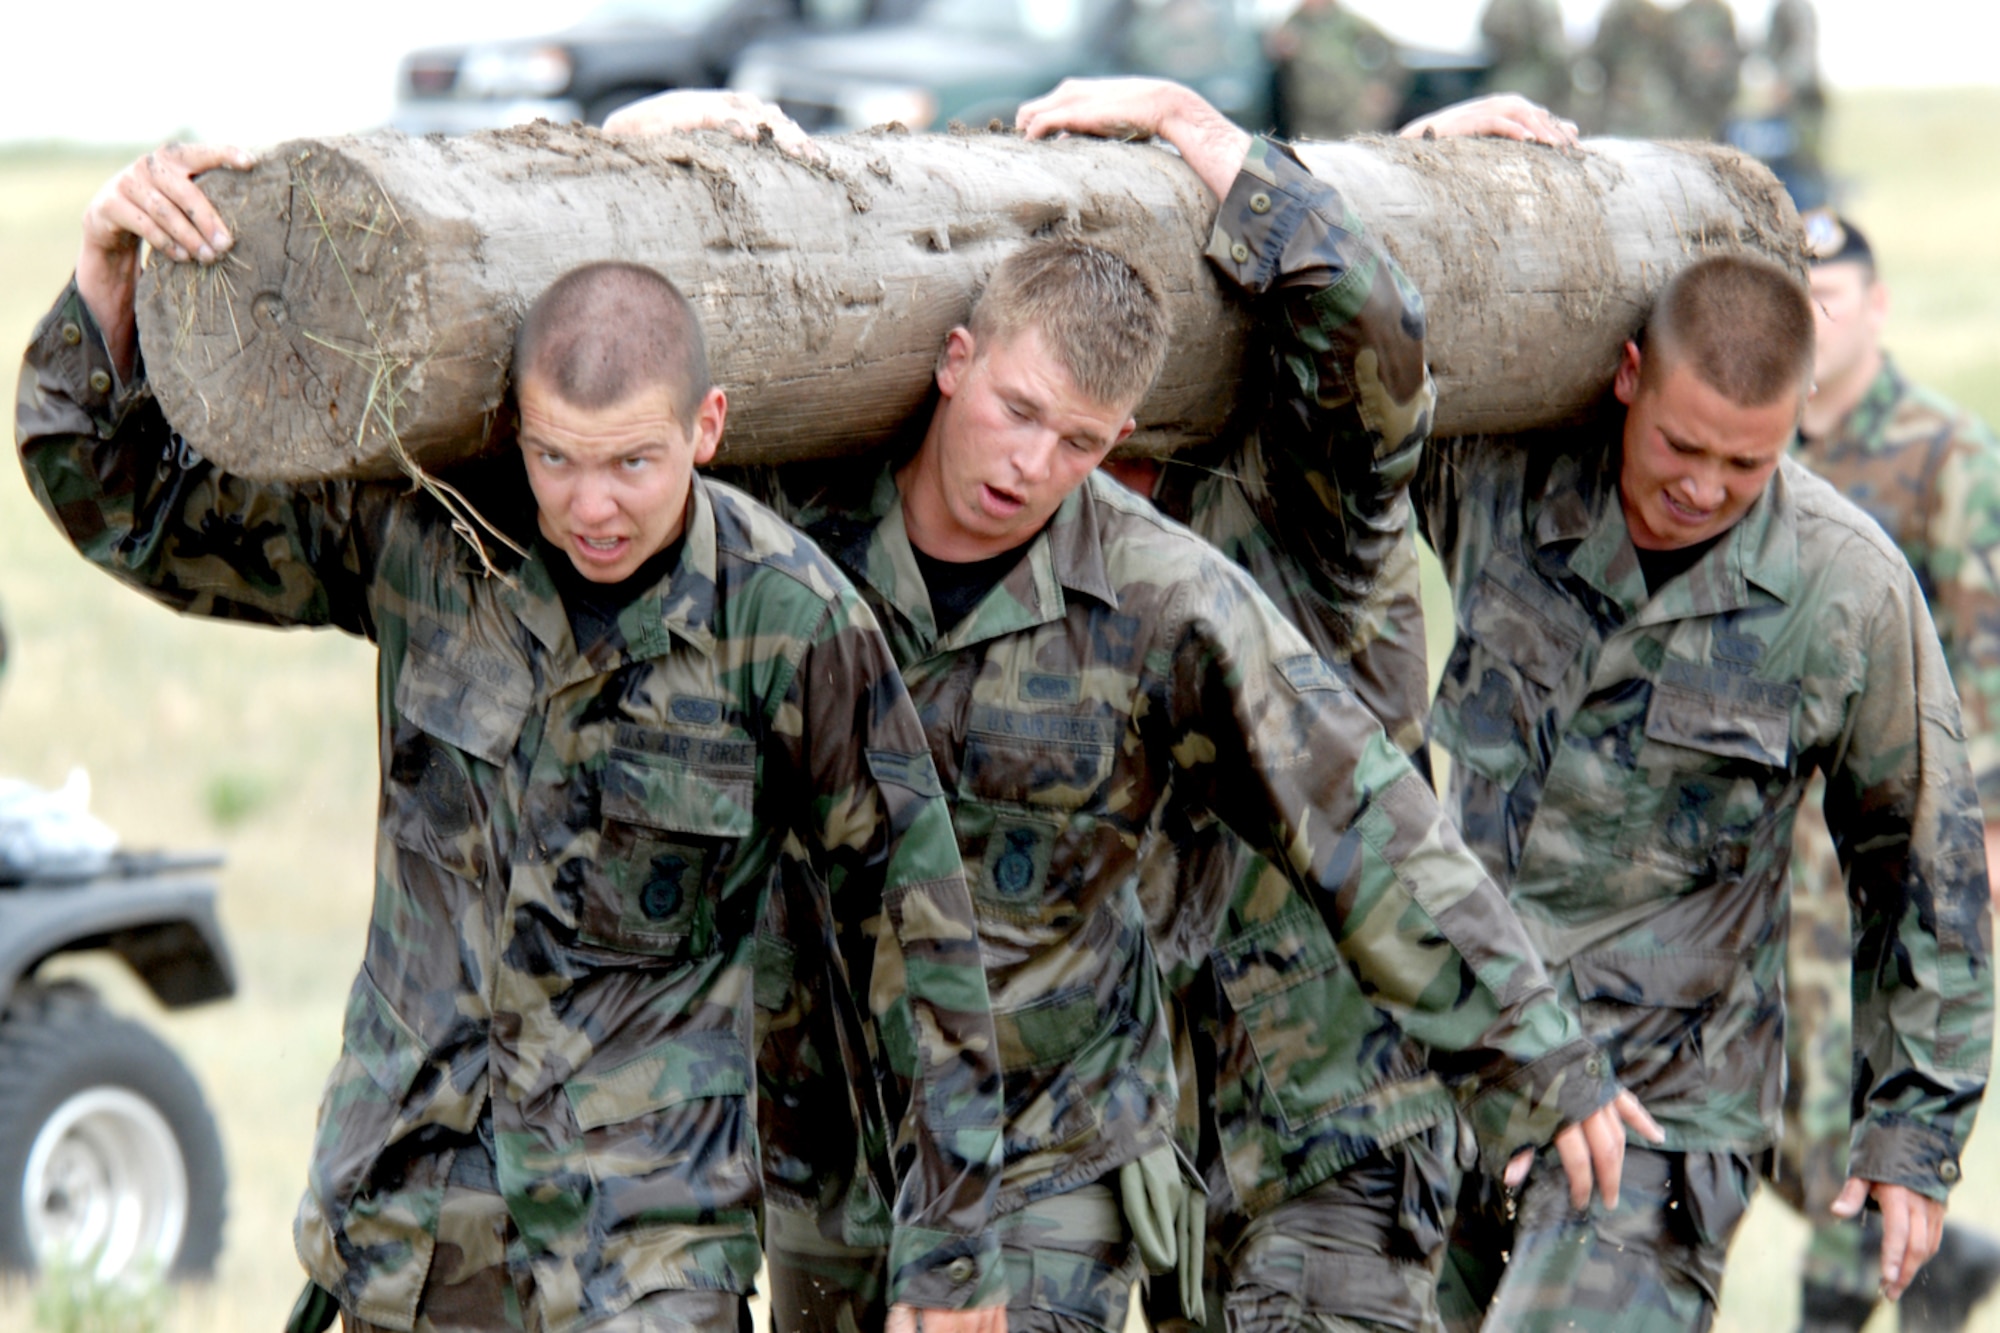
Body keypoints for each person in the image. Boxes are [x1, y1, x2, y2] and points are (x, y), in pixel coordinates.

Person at [617, 78, 1648, 1333]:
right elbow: (622, 412)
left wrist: (1535, 1047)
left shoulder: (1167, 594)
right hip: (828, 1146)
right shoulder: (799, 526)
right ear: (952, 364)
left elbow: (1361, 815)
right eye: (1014, 413)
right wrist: (644, 156)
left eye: (1079, 444)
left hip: (1049, 1154)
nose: (1026, 468)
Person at [16, 148, 1010, 1333]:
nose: (591, 505)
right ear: (515, 429)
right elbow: (128, 509)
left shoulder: (786, 621)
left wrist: (949, 1256)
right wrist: (103, 281)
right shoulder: (432, 545)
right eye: (556, 459)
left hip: (643, 1260)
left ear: (706, 427)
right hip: (410, 1239)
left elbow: (915, 932)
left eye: (632, 463)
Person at [1416, 251, 1994, 1333]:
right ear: (1628, 376)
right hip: (1451, 1072)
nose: (1700, 485)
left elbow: (1927, 874)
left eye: (1745, 460)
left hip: (1660, 1112)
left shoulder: (1842, 591)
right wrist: (1449, 149)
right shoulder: (1501, 486)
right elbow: (1354, 382)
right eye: (1681, 445)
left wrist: (1913, 1134)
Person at [1778, 210, 2000, 1333]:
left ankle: (1845, 1296)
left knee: (1838, 1087)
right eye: (1796, 298)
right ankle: (1937, 1262)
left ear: (1875, 307)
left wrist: (1982, 838)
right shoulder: (1761, 441)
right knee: (1771, 1102)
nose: (1814, 320)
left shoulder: (1941, 450)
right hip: (1775, 844)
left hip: (1887, 833)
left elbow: (1986, 642)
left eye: (1833, 297)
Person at [1264, 0, 1411, 141]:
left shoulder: (1347, 22)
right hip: (1310, 114)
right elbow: (1272, 59)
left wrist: (1382, 86)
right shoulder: (1293, 24)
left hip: (1349, 110)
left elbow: (1390, 51)